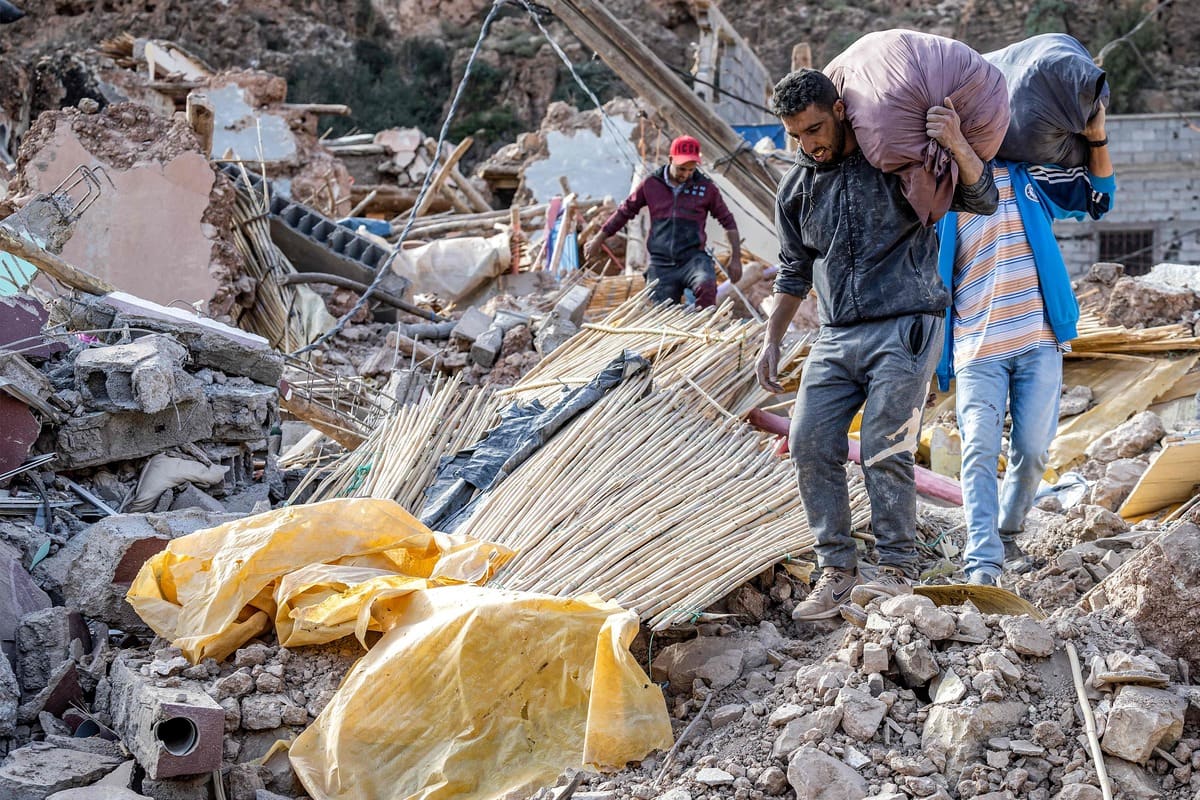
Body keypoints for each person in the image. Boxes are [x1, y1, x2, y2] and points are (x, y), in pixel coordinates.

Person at [755, 69, 999, 621]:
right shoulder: (797, 187)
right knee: (809, 441)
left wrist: (956, 141)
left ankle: (896, 570)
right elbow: (793, 270)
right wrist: (772, 339)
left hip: (906, 324)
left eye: (815, 129)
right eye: (796, 136)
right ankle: (837, 571)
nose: (809, 145)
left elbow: (981, 198)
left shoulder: (896, 159)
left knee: (885, 447)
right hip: (836, 333)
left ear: (841, 111)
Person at [936, 106, 1116, 586]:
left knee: (1033, 450)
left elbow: (1099, 197)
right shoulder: (943, 194)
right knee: (978, 449)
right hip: (976, 347)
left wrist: (1096, 138)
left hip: (1038, 340)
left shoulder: (1028, 176)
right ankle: (982, 561)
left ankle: (1009, 531)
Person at [585, 135, 741, 307]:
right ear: (670, 159)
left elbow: (728, 221)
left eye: (691, 169)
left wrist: (736, 258)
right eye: (682, 169)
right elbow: (625, 211)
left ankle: (705, 321)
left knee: (706, 285)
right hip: (661, 263)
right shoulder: (651, 184)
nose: (686, 174)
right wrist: (598, 239)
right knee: (661, 309)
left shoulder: (706, 188)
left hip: (693, 259)